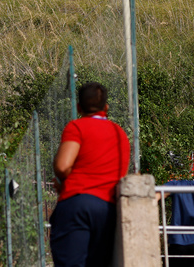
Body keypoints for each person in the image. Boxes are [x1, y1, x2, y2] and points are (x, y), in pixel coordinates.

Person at [50, 82, 130, 267]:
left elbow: (62, 166)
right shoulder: (120, 134)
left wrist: (67, 183)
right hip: (107, 209)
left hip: (76, 204)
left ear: (79, 107)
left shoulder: (76, 127)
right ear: (106, 107)